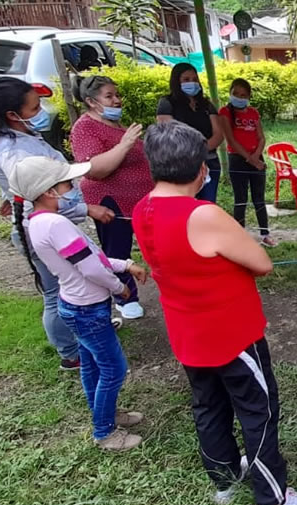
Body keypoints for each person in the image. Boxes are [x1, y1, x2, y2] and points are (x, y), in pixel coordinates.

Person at [132, 121, 297, 505]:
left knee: (208, 405)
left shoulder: (142, 207)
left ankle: (224, 479)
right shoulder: (202, 213)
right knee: (259, 410)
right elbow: (262, 263)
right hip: (230, 333)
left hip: (188, 332)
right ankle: (273, 501)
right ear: (201, 167)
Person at [0, 76, 116, 371]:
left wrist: (11, 197)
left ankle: (84, 334)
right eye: (35, 108)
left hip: (44, 223)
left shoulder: (20, 136)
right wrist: (87, 209)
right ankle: (70, 352)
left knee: (67, 286)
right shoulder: (15, 152)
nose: (42, 111)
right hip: (42, 229)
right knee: (57, 292)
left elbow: (25, 188)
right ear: (12, 114)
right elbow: (37, 192)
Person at [10, 156, 147, 451]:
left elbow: (91, 258)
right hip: (88, 309)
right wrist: (120, 288)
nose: (73, 188)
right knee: (114, 368)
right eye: (67, 184)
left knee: (92, 364)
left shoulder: (40, 221)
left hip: (76, 305)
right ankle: (105, 431)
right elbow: (92, 269)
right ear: (49, 191)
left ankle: (106, 414)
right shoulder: (55, 224)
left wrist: (125, 264)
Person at [70, 75, 152, 321]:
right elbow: (95, 170)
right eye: (109, 96)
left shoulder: (115, 124)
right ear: (91, 101)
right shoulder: (84, 128)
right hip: (110, 200)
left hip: (140, 198)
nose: (117, 100)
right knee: (118, 249)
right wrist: (125, 144)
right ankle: (125, 297)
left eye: (117, 95)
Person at [155, 63, 223, 203]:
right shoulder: (167, 103)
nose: (191, 82)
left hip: (210, 162)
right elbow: (167, 134)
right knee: (186, 205)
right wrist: (191, 153)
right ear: (177, 81)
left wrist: (201, 149)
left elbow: (218, 134)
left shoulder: (206, 104)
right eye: (186, 79)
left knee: (208, 204)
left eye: (194, 79)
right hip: (182, 165)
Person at [219, 78, 275, 247]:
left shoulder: (253, 112)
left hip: (256, 158)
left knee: (259, 198)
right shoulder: (225, 112)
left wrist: (256, 157)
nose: (239, 97)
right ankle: (239, 236)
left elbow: (261, 137)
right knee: (241, 199)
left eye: (243, 95)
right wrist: (251, 160)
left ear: (249, 96)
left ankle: (265, 234)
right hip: (238, 160)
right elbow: (231, 140)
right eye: (236, 94)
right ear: (230, 93)